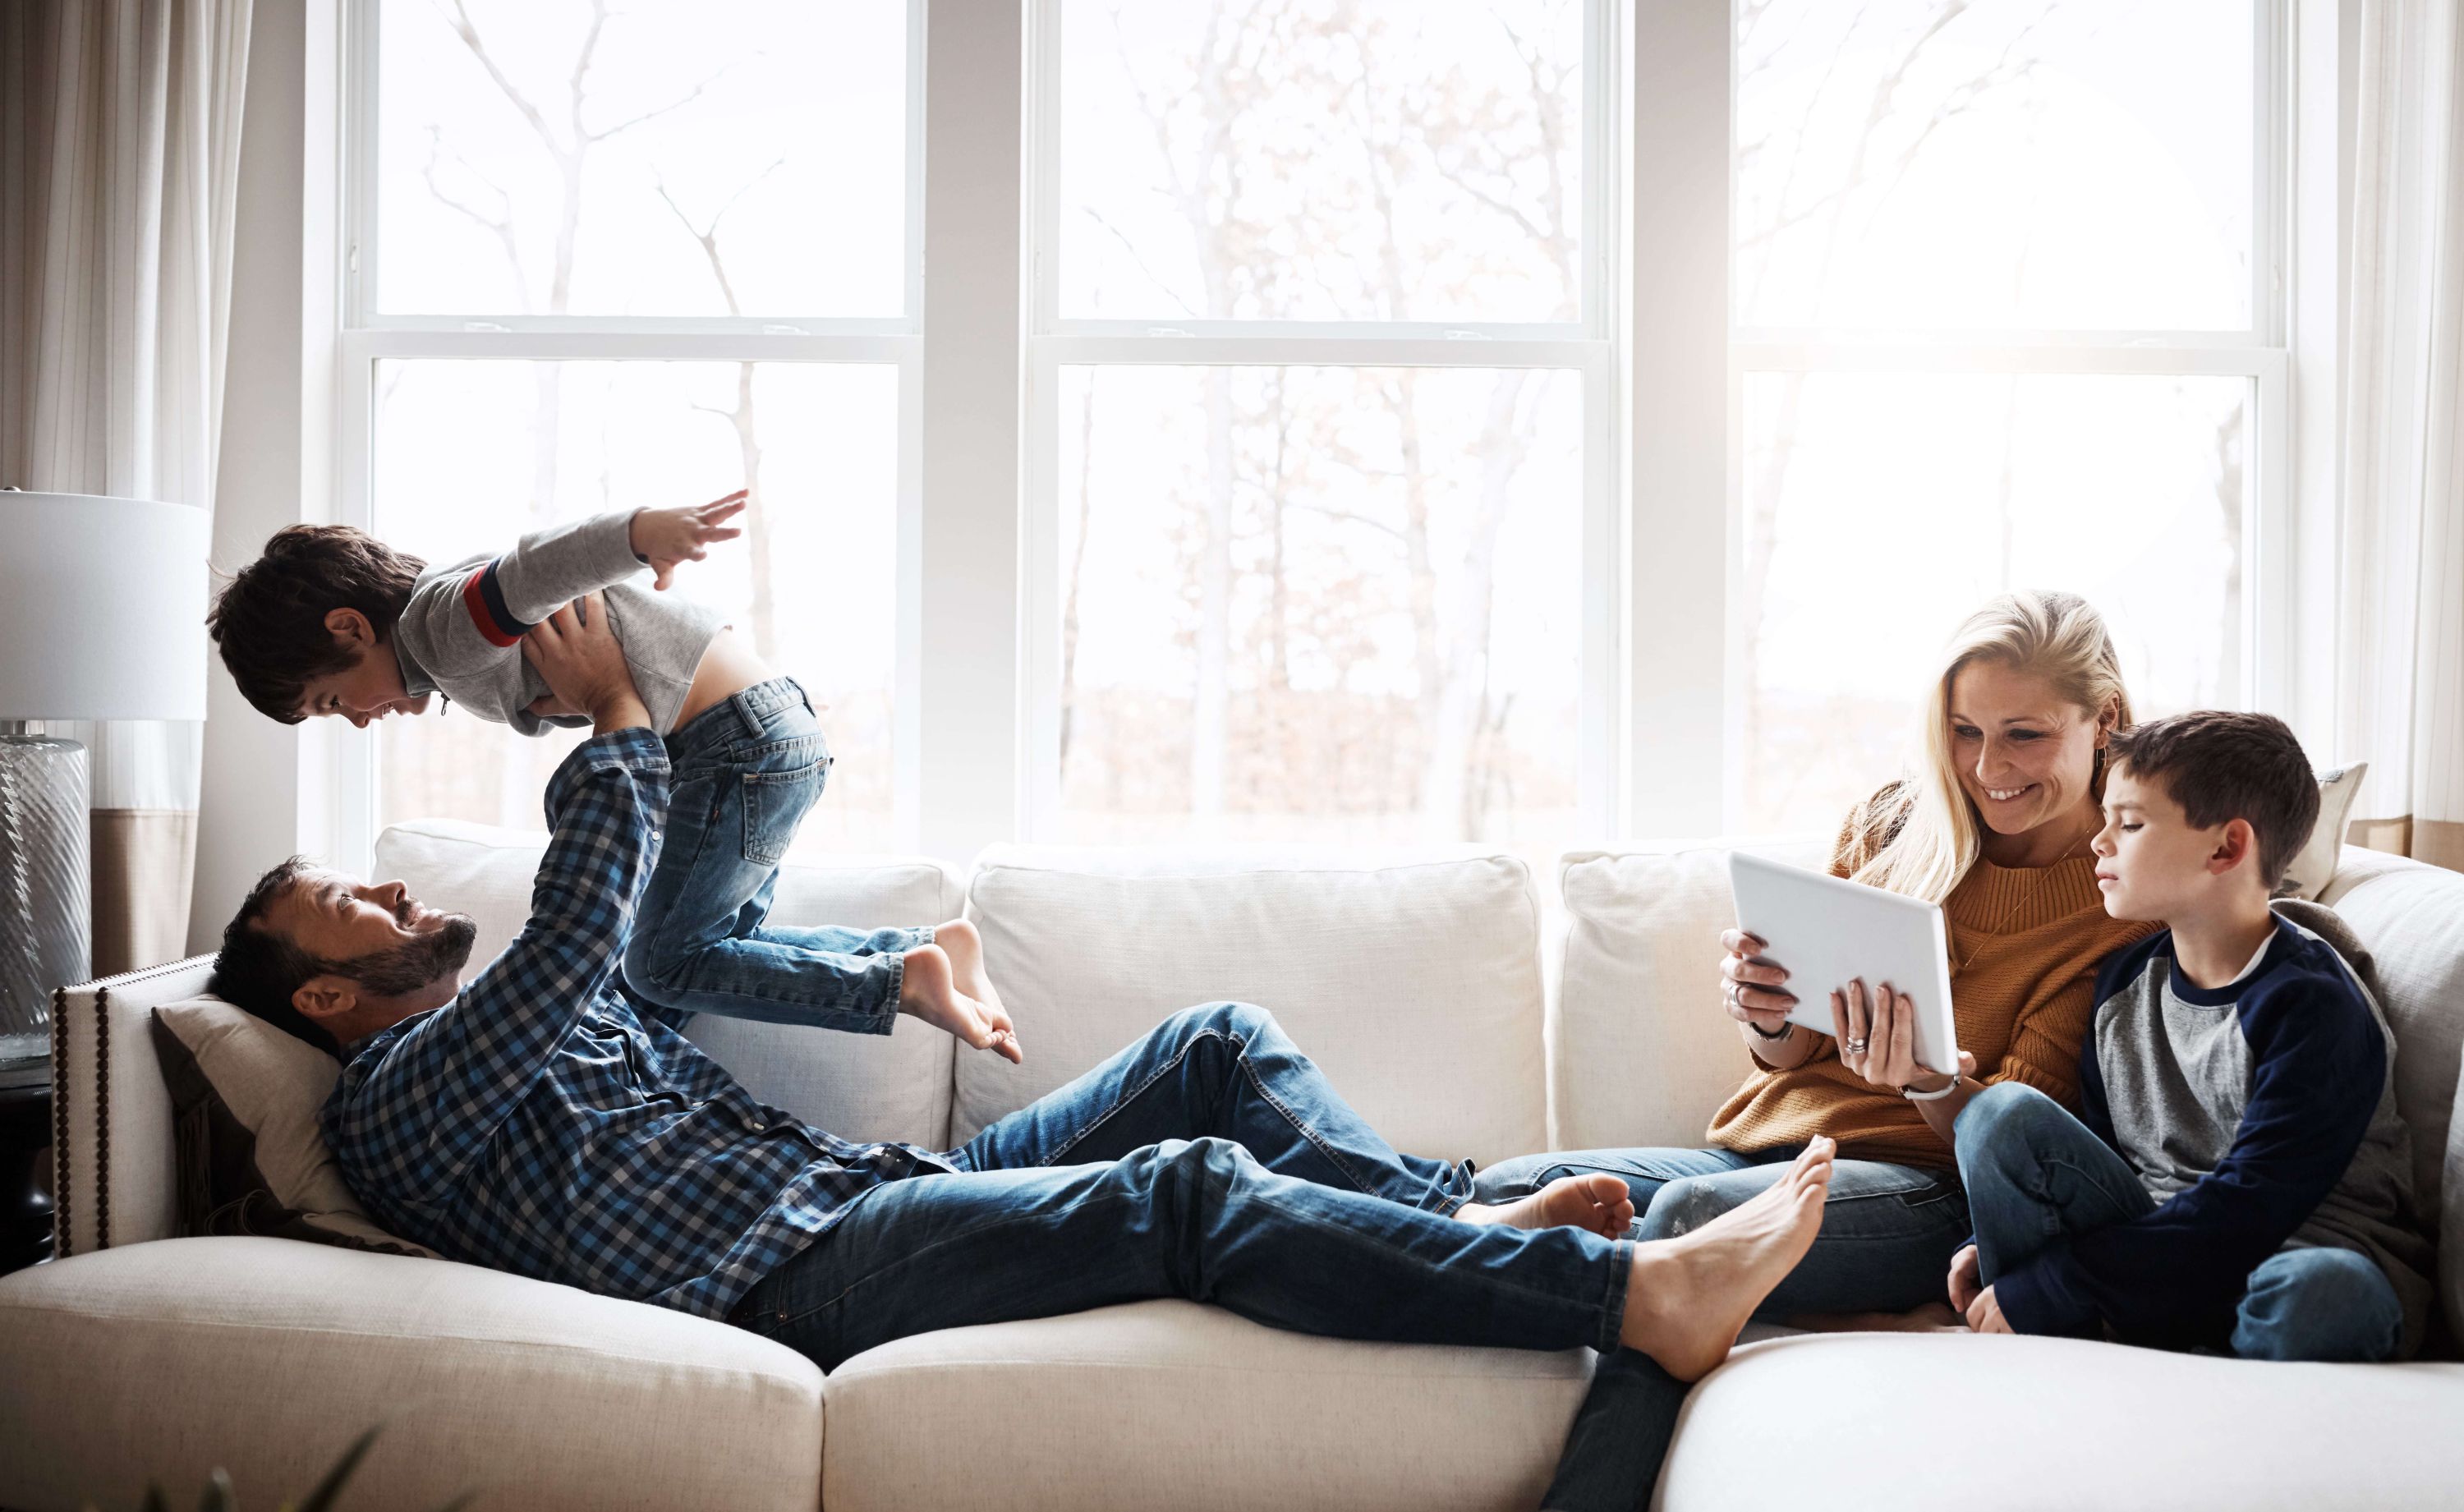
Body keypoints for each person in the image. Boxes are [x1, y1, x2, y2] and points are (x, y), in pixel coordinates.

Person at [206, 593, 1845, 1404]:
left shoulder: (520, 1021)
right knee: (1186, 1191)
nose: (407, 889)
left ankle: (1464, 1223)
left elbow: (637, 989)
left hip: (864, 1198)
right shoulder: (393, 1099)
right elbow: (579, 934)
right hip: (794, 1279)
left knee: (1210, 1047)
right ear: (330, 990)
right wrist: (623, 719)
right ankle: (1623, 1293)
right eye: (359, 900)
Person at [1474, 590, 2163, 1511]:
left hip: (1927, 1188)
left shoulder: (2122, 894)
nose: (1987, 767)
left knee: (1686, 1221)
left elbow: (2018, 1142)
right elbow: (1796, 1047)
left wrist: (1924, 1081)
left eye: (2024, 734)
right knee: (1507, 1187)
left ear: (2104, 719)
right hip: (1773, 1147)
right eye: (1963, 730)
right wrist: (1767, 1012)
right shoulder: (1897, 823)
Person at [205, 499, 1019, 1064]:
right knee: (688, 955)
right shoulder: (442, 627)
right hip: (756, 733)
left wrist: (638, 534)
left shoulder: (440, 630)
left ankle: (901, 977)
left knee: (660, 966)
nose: (353, 718)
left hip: (728, 745)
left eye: (334, 699)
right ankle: (918, 955)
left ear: (350, 628)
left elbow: (532, 570)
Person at [1951, 710, 2434, 1361]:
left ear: (2227, 848)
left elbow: (2253, 1205)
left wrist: (2067, 1275)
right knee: (1998, 1114)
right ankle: (2112, 1334)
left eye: (2129, 823)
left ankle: (2173, 1357)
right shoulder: (2124, 982)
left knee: (2319, 1293)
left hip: (2293, 1249)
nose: (2100, 842)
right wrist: (2004, 1241)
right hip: (2155, 1246)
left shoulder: (2313, 1003)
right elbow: (2102, 1158)